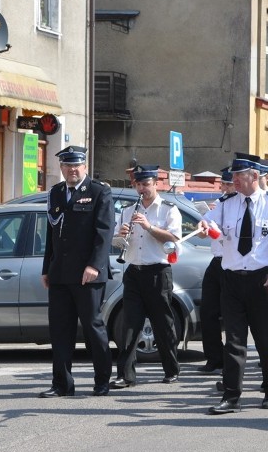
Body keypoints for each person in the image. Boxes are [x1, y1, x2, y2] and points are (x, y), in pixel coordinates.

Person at [200, 153, 268, 414]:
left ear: (254, 176)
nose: (234, 180)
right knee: (234, 340)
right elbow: (210, 222)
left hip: (263, 279)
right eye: (233, 176)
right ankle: (231, 395)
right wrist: (206, 226)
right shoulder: (227, 203)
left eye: (239, 176)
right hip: (231, 280)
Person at [40, 146, 114, 398]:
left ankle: (102, 381)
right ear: (61, 168)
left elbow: (104, 234)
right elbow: (51, 235)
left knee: (93, 328)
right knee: (60, 330)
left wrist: (95, 265)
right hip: (60, 273)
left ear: (85, 167)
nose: (72, 169)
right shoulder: (56, 193)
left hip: (88, 274)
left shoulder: (99, 191)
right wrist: (46, 268)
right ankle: (62, 383)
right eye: (67, 165)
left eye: (77, 165)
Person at [110, 165, 181, 389]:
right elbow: (116, 242)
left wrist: (149, 227)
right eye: (138, 185)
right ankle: (126, 375)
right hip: (133, 272)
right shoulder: (127, 210)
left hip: (158, 272)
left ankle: (171, 369)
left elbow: (173, 239)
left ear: (155, 184)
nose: (142, 189)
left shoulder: (169, 209)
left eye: (146, 184)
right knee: (129, 325)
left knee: (163, 324)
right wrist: (120, 236)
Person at [197, 167, 236, 373]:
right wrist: (203, 224)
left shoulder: (239, 204)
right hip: (217, 261)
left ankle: (232, 359)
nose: (225, 188)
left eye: (229, 184)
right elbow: (205, 230)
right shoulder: (219, 203)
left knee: (231, 315)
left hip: (233, 262)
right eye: (224, 184)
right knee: (207, 311)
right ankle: (214, 357)